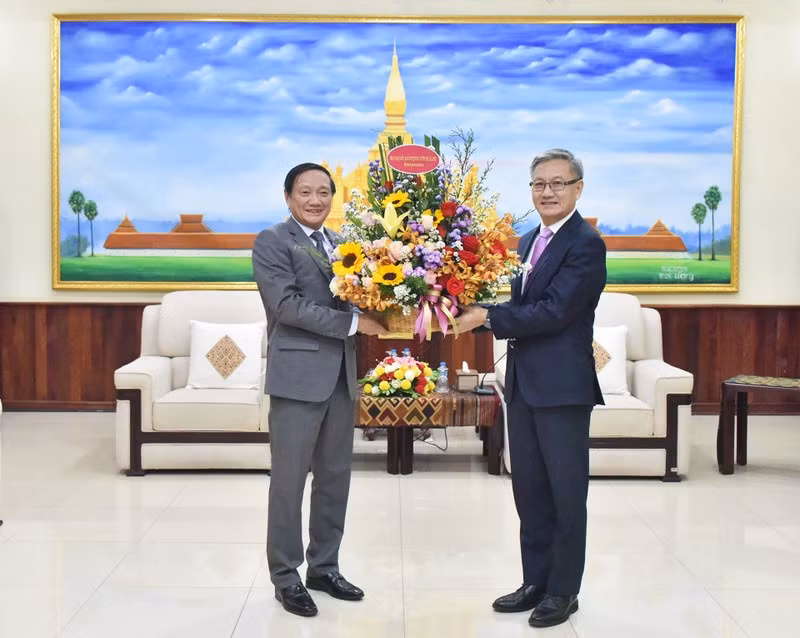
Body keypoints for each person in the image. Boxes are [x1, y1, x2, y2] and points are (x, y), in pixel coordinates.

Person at [458, 149, 607, 628]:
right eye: (540, 184)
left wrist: (486, 318)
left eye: (558, 184)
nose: (548, 192)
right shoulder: (525, 243)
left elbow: (554, 312)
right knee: (530, 492)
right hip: (522, 385)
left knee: (566, 494)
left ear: (578, 188)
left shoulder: (585, 244)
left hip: (563, 387)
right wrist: (456, 307)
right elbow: (510, 304)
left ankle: (564, 591)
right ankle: (535, 581)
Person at [252, 162, 387, 617]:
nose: (315, 200)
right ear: (288, 197)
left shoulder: (339, 244)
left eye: (323, 192)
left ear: (333, 196)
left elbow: (359, 295)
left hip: (340, 378)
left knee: (335, 478)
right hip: (297, 378)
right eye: (305, 192)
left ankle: (324, 567)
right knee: (289, 481)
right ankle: (285, 576)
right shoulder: (273, 240)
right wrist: (353, 322)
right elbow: (286, 305)